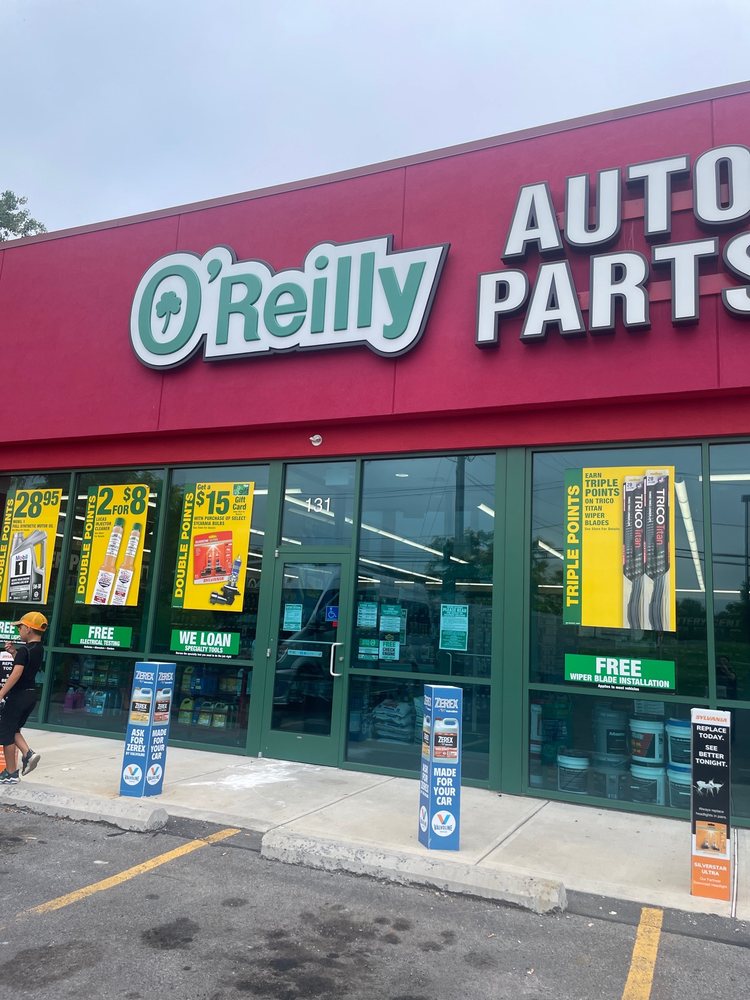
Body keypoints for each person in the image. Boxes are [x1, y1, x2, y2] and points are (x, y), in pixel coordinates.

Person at [0, 611, 47, 784]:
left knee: (5, 733)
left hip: (18, 696)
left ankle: (11, 773)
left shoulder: (24, 650)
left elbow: (17, 673)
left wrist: (1, 693)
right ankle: (28, 754)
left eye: (20, 627)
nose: (18, 631)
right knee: (13, 729)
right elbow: (26, 668)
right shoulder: (38, 649)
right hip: (30, 695)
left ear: (28, 629)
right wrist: (14, 653)